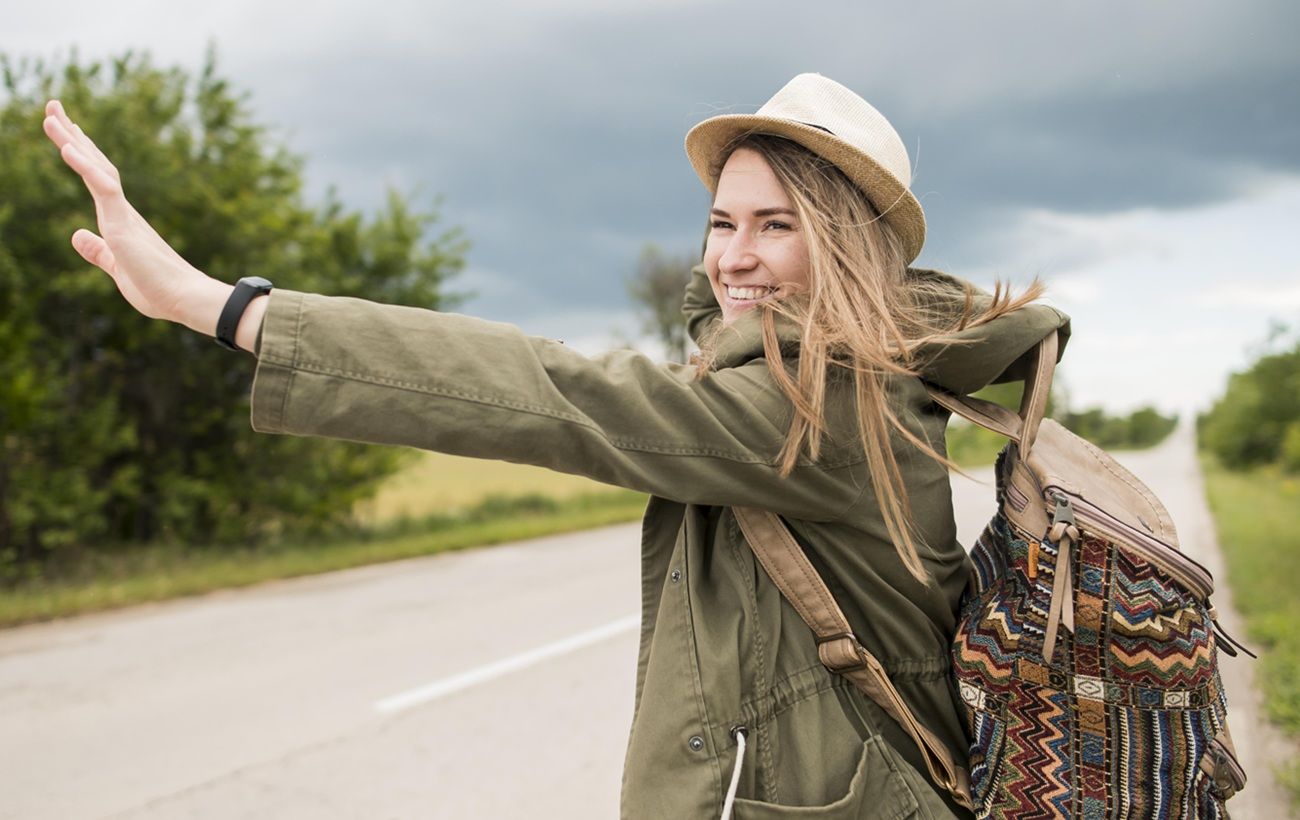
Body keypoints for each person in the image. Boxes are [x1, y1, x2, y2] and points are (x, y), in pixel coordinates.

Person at [43, 73, 1069, 819]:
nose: (732, 256)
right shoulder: (826, 383)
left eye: (775, 226)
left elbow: (550, 394)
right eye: (721, 222)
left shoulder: (823, 408)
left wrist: (220, 308)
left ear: (844, 240)